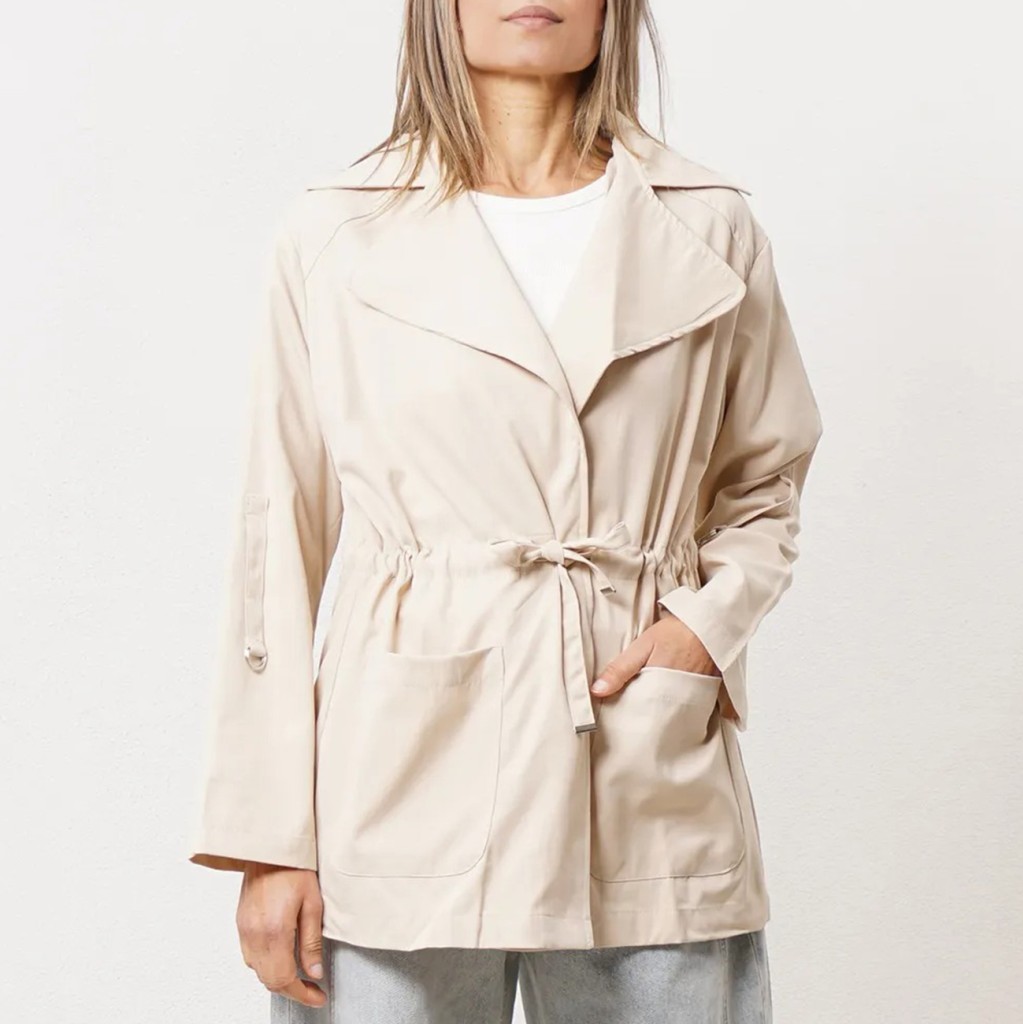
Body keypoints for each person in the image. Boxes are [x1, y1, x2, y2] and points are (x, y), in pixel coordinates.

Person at [187, 1, 824, 1021]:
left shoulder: (707, 223)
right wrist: (268, 841)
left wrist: (700, 632)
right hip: (398, 779)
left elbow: (765, 478)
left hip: (642, 765)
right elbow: (278, 530)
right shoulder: (335, 231)